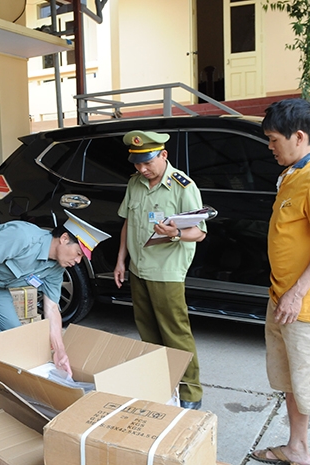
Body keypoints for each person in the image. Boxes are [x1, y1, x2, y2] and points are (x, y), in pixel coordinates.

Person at [250, 99, 310, 465]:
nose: (269, 146)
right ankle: (297, 448)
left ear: (298, 136)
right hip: (284, 299)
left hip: (307, 305)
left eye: (273, 139)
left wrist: (297, 293)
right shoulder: (292, 172)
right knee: (291, 381)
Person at [0, 211, 108, 376]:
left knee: (13, 333)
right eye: (79, 254)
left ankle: (3, 376)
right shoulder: (23, 237)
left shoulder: (56, 269)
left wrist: (59, 350)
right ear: (64, 239)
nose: (78, 262)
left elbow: (52, 309)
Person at [113, 130, 207, 410]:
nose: (142, 169)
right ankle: (160, 384)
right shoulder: (135, 183)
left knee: (175, 332)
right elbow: (128, 222)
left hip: (166, 272)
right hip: (138, 269)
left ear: (163, 155)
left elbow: (199, 232)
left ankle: (190, 393)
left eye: (147, 163)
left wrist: (176, 233)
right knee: (148, 331)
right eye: (137, 164)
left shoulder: (183, 186)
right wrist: (121, 260)